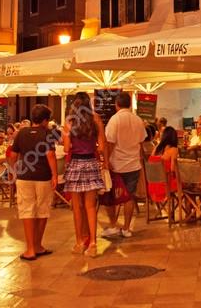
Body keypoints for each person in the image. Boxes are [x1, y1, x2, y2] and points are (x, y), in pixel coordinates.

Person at [8, 104, 58, 261]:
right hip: (43, 177)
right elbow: (50, 155)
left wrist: (13, 171)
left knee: (27, 210)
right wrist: (55, 175)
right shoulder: (47, 133)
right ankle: (38, 245)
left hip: (24, 177)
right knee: (43, 210)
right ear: (44, 120)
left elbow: (13, 155)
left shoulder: (21, 133)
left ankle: (30, 249)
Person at [63, 92, 107, 257]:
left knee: (77, 207)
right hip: (91, 164)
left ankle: (80, 242)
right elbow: (102, 147)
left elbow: (67, 149)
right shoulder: (96, 119)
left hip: (75, 165)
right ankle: (93, 244)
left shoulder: (69, 122)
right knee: (90, 206)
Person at [103, 92, 146, 239]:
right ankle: (127, 228)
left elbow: (110, 142)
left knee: (110, 197)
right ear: (129, 104)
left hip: (117, 164)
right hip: (133, 164)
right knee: (129, 196)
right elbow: (141, 142)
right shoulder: (138, 120)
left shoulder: (114, 120)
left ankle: (113, 225)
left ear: (116, 104)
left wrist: (106, 161)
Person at [147, 126, 179, 204]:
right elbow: (172, 169)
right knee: (189, 183)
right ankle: (192, 211)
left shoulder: (156, 148)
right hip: (166, 185)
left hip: (153, 185)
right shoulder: (174, 150)